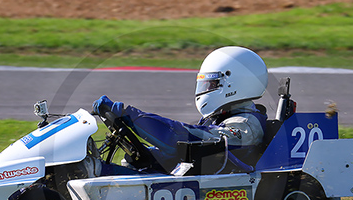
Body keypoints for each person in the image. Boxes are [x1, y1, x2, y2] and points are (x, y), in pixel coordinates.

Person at [92, 46, 269, 172]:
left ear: (233, 84)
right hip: (193, 183)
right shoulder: (220, 119)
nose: (205, 90)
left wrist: (134, 117)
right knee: (133, 161)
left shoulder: (246, 126)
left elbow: (187, 139)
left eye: (211, 84)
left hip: (212, 193)